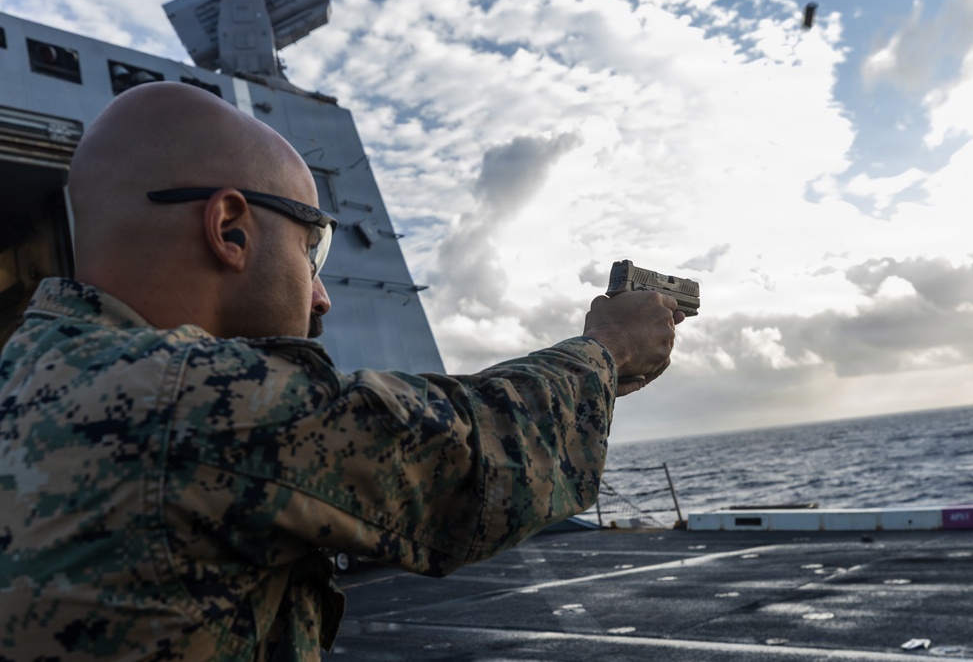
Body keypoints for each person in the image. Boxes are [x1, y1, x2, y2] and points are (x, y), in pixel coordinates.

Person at [0, 82, 683, 661]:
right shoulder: (183, 401)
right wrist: (607, 350)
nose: (322, 294)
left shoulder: (29, 378)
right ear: (230, 228)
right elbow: (475, 453)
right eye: (310, 246)